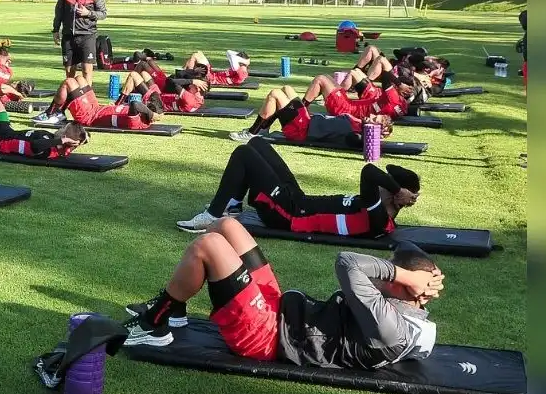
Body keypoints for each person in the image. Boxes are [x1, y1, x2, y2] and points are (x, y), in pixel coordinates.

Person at [123, 217, 444, 373]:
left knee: (208, 247)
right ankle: (176, 308)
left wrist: (405, 274)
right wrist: (416, 278)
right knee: (227, 226)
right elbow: (388, 262)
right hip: (280, 310)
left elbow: (348, 263)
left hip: (266, 337)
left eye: (390, 272)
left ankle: (154, 324)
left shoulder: (390, 329)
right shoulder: (400, 300)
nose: (383, 271)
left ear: (402, 286)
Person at [176, 137, 420, 234]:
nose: (381, 185)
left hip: (289, 215)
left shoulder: (378, 217)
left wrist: (399, 190)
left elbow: (368, 171)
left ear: (393, 195)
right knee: (257, 143)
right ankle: (234, 205)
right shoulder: (376, 206)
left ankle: (212, 216)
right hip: (298, 200)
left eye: (387, 185)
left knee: (243, 154)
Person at [228, 85, 393, 144]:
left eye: (374, 120)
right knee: (287, 89)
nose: (370, 117)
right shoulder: (359, 123)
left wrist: (376, 136)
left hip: (301, 130)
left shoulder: (359, 133)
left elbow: (360, 141)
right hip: (307, 120)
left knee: (275, 94)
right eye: (373, 116)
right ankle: (264, 128)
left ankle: (252, 133)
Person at [0, 90, 89, 155]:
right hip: (5, 129)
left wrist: (63, 140)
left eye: (65, 128)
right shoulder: (52, 140)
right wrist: (83, 137)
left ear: (65, 136)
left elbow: (36, 146)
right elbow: (80, 136)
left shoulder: (49, 148)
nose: (62, 127)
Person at [36, 74, 161, 130]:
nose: (145, 105)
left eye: (147, 107)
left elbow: (135, 104)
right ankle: (60, 113)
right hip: (96, 108)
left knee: (69, 82)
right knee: (80, 78)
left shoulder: (138, 122)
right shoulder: (141, 115)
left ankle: (51, 113)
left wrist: (152, 114)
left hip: (89, 116)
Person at [53, 0, 107, 83]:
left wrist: (88, 13)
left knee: (87, 70)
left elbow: (103, 13)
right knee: (69, 72)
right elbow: (59, 12)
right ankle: (71, 98)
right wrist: (56, 29)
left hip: (87, 36)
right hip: (68, 36)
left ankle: (88, 99)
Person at [302, 67, 413, 120]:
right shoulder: (402, 105)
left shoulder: (393, 98)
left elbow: (385, 75)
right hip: (349, 105)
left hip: (345, 109)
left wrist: (399, 84)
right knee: (327, 78)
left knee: (320, 78)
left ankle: (301, 110)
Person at [117, 68, 208, 113]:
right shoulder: (199, 99)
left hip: (156, 102)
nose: (189, 85)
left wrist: (192, 80)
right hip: (159, 96)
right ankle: (129, 94)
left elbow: (170, 81)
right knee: (144, 73)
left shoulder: (189, 98)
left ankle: (118, 103)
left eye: (191, 85)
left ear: (198, 88)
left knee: (133, 75)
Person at [177, 50, 251, 86]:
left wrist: (245, 61)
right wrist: (245, 61)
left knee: (195, 55)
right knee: (198, 53)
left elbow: (232, 57)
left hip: (210, 79)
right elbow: (228, 52)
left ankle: (187, 76)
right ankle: (184, 73)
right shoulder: (239, 67)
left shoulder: (242, 71)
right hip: (211, 75)